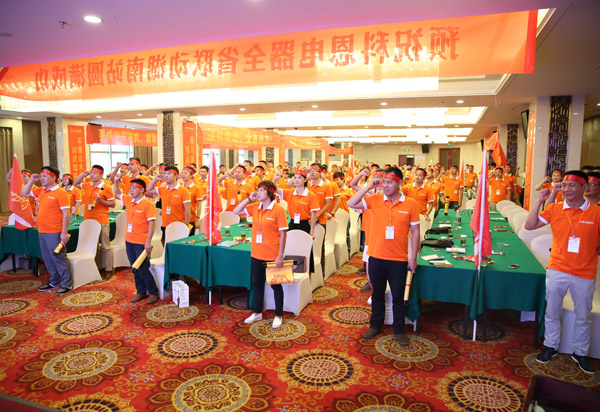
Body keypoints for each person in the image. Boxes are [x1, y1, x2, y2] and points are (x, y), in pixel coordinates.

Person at [525, 170, 600, 375]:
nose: (566, 189)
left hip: (584, 273)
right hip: (557, 269)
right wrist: (539, 201)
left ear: (584, 188)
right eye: (564, 185)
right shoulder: (555, 208)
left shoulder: (596, 213)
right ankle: (550, 346)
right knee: (551, 312)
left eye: (572, 185)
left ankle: (580, 352)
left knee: (583, 316)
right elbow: (529, 225)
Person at [348, 167, 420, 345]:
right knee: (377, 294)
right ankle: (375, 325)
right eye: (384, 182)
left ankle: (399, 329)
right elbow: (351, 202)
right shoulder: (375, 199)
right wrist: (369, 186)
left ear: (399, 183)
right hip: (376, 257)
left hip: (399, 259)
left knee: (398, 297)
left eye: (389, 182)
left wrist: (413, 258)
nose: (385, 185)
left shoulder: (410, 203)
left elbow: (416, 232)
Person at [233, 180, 288, 329]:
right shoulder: (255, 207)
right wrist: (248, 199)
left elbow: (283, 235)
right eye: (257, 189)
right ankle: (257, 312)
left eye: (261, 190)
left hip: (272, 255)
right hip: (257, 253)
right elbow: (236, 211)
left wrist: (280, 255)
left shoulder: (278, 210)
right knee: (257, 284)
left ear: (269, 193)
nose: (258, 192)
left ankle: (278, 315)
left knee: (276, 286)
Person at [22, 166, 72, 294]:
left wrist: (64, 232)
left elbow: (66, 214)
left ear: (54, 178)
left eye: (45, 176)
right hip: (42, 231)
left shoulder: (61, 193)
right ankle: (55, 281)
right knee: (47, 259)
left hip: (55, 232)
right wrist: (31, 181)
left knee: (58, 258)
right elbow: (23, 193)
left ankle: (66, 284)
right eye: (41, 176)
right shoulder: (41, 190)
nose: (41, 178)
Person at [113, 175, 158, 304]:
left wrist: (148, 242)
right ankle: (141, 292)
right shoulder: (129, 201)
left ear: (142, 190)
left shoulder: (147, 204)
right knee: (134, 268)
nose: (131, 190)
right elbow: (117, 193)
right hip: (129, 240)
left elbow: (152, 224)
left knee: (143, 269)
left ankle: (153, 292)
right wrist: (115, 181)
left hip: (141, 242)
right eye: (130, 188)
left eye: (134, 188)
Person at [74, 165, 116, 275]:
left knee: (105, 246)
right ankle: (97, 268)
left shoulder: (106, 187)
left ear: (101, 175)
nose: (92, 175)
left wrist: (101, 201)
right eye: (91, 172)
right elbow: (75, 183)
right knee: (93, 246)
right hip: (89, 220)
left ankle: (108, 269)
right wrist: (83, 175)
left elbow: (113, 204)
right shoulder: (88, 185)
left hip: (101, 220)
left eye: (95, 173)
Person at [146, 166, 191, 241]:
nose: (166, 175)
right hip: (165, 225)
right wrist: (156, 179)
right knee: (165, 245)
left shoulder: (184, 191)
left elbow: (187, 210)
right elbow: (149, 189)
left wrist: (186, 226)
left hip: (178, 225)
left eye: (169, 173)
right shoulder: (163, 189)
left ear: (176, 176)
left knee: (176, 246)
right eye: (165, 173)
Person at [181, 165, 203, 236]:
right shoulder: (179, 187)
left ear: (191, 175)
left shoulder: (196, 188)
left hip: (191, 219)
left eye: (185, 173)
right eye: (182, 173)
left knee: (189, 239)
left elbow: (199, 205)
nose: (183, 175)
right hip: (179, 218)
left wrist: (197, 218)